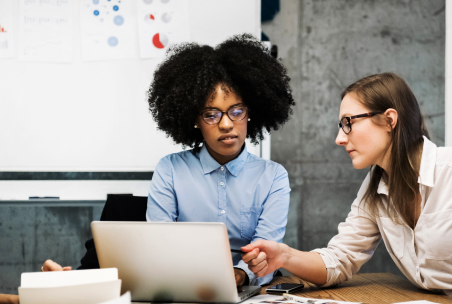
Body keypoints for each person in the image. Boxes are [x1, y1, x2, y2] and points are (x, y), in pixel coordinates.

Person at [241, 72, 452, 303]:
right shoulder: (374, 187)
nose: (339, 138)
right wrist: (284, 255)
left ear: (389, 120)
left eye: (348, 123)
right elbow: (340, 260)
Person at [42, 34, 294, 287]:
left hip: (248, 289)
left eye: (236, 111)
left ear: (251, 113)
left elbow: (268, 255)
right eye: (211, 115)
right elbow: (158, 248)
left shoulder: (273, 177)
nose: (227, 124)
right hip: (181, 288)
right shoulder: (171, 169)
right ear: (194, 120)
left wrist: (239, 275)